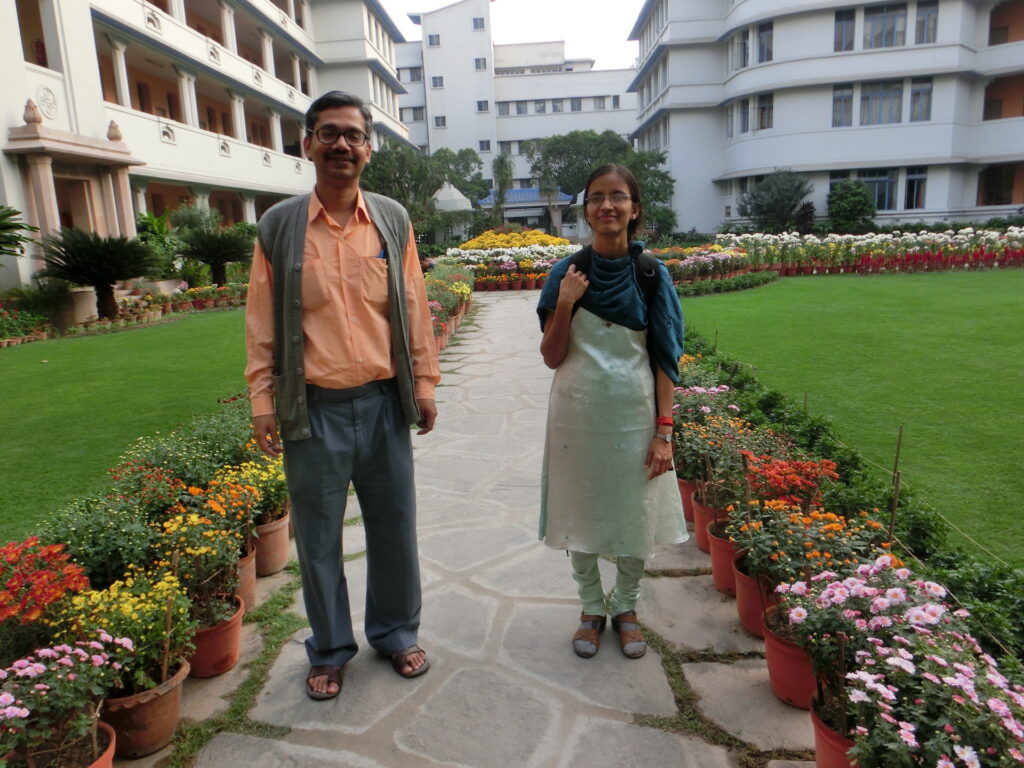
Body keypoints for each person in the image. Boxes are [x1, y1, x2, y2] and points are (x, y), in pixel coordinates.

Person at [245, 91, 440, 700]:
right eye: (328, 134)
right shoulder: (279, 227)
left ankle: (395, 632)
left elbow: (412, 303)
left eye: (353, 135)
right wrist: (261, 400)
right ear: (307, 145)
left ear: (368, 149)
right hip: (315, 411)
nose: (341, 145)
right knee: (320, 536)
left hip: (383, 403)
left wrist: (426, 382)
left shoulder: (390, 219)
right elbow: (261, 323)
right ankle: (329, 649)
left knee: (394, 528)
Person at [536, 164, 687, 660]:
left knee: (633, 513)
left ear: (634, 208)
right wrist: (565, 304)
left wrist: (664, 430)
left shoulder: (651, 275)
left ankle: (625, 607)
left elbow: (666, 357)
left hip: (634, 416)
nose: (607, 206)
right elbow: (551, 356)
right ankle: (589, 608)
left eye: (617, 196)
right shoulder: (566, 273)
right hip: (575, 417)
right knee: (577, 509)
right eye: (597, 197)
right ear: (585, 210)